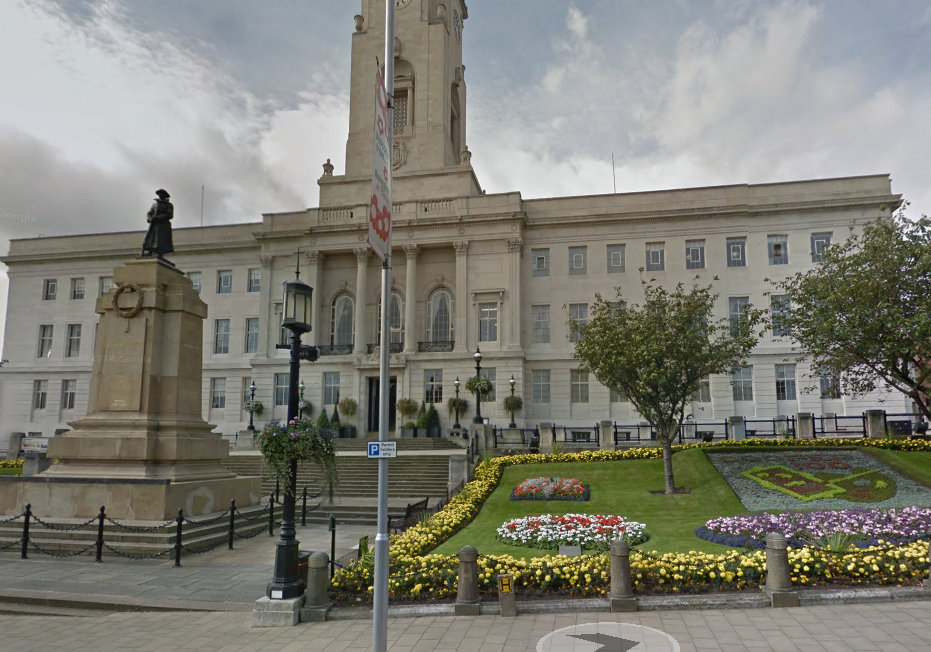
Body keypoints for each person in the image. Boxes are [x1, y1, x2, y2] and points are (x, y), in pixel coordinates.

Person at [141, 189, 174, 261]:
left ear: (165, 195)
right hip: (154, 224)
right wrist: (150, 218)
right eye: (158, 194)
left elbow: (169, 214)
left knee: (160, 240)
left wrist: (158, 218)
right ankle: (149, 251)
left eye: (161, 194)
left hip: (163, 225)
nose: (159, 195)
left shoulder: (169, 205)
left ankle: (160, 253)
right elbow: (149, 212)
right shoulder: (155, 204)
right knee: (150, 238)